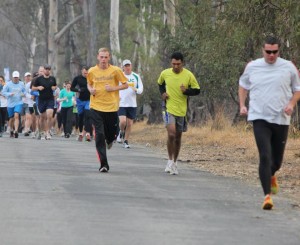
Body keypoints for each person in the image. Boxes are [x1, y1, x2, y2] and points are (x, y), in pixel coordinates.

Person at [239, 36, 300, 210]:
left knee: (277, 162)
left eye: (274, 52)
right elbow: (243, 85)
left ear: (279, 51)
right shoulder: (253, 66)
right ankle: (267, 196)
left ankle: (272, 174)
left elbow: (297, 89)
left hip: (281, 119)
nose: (271, 55)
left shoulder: (288, 67)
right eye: (268, 52)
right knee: (265, 155)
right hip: (259, 117)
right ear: (262, 50)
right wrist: (243, 105)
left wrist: (291, 104)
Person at [158, 52, 200, 175]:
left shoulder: (188, 75)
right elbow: (160, 84)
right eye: (173, 64)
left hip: (181, 111)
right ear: (171, 63)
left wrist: (186, 91)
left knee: (178, 137)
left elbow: (197, 90)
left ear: (182, 63)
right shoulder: (165, 73)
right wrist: (163, 93)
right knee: (171, 135)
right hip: (168, 108)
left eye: (178, 64)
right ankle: (169, 160)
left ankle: (175, 162)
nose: (176, 66)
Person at [87, 47, 128, 173]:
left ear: (109, 57)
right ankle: (103, 164)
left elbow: (125, 84)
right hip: (96, 107)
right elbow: (88, 83)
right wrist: (90, 90)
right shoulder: (92, 71)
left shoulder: (115, 70)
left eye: (106, 57)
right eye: (101, 57)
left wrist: (113, 88)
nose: (103, 59)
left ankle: (111, 139)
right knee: (99, 135)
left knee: (110, 135)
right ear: (98, 57)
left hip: (111, 107)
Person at [116, 59, 143, 148]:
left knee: (130, 124)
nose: (127, 67)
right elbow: (115, 87)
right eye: (125, 66)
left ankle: (126, 141)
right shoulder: (120, 76)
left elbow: (141, 89)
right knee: (123, 122)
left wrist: (137, 90)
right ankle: (121, 132)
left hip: (132, 104)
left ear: (131, 66)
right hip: (121, 103)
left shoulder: (136, 76)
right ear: (123, 67)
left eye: (129, 66)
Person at [31, 64, 57, 140]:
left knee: (49, 115)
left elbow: (55, 86)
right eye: (46, 69)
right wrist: (38, 87)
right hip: (41, 100)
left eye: (49, 69)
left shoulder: (52, 79)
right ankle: (42, 131)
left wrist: (54, 88)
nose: (47, 70)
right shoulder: (38, 79)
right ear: (44, 70)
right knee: (42, 118)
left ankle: (48, 132)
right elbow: (32, 88)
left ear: (50, 70)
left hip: (50, 99)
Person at [71, 65, 92, 141]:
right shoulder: (77, 78)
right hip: (80, 100)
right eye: (84, 73)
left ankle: (88, 133)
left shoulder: (91, 77)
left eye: (87, 73)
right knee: (80, 117)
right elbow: (71, 88)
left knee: (88, 115)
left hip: (89, 100)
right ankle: (80, 132)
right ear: (82, 72)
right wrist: (78, 90)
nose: (86, 74)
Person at [1, 71, 25, 138]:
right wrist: (9, 94)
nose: (16, 78)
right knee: (11, 118)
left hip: (18, 102)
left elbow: (24, 91)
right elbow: (3, 92)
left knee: (16, 115)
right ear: (12, 77)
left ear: (18, 77)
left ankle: (16, 131)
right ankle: (11, 129)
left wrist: (24, 94)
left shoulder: (21, 84)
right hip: (10, 103)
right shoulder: (8, 84)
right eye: (14, 77)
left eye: (17, 77)